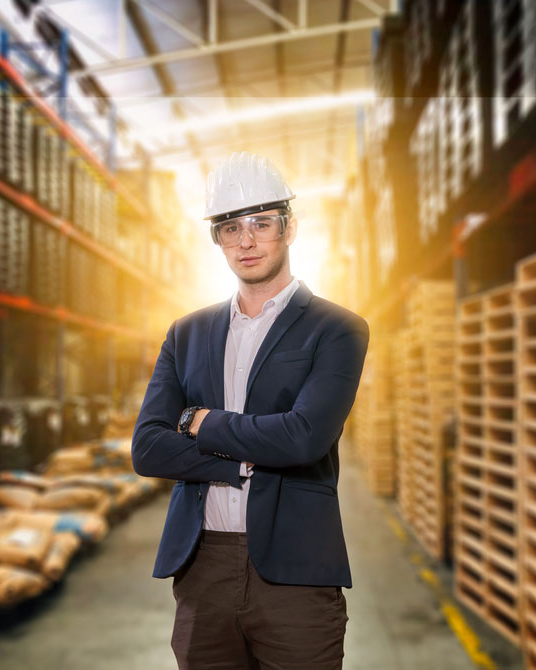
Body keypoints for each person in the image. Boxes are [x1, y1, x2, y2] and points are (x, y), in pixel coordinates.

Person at [131, 151, 370, 669]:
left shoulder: (336, 328)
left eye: (261, 223)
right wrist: (241, 461)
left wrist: (199, 424)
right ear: (216, 239)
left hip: (295, 569)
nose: (246, 240)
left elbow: (305, 437)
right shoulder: (186, 333)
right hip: (203, 568)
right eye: (231, 227)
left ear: (289, 228)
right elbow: (147, 446)